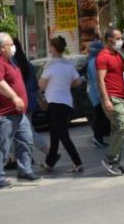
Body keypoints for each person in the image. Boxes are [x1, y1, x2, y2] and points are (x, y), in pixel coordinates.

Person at [0, 32, 39, 188]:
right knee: (2, 145)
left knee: (26, 140)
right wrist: (15, 97)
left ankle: (24, 170)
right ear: (2, 47)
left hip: (18, 113)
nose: (14, 47)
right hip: (3, 114)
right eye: (11, 44)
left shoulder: (10, 61)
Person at [39, 36, 84, 173]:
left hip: (55, 103)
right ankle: (49, 163)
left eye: (50, 46)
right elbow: (78, 81)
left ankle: (78, 163)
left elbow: (41, 84)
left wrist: (47, 86)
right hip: (66, 102)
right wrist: (66, 84)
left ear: (53, 48)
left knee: (63, 136)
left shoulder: (51, 64)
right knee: (54, 133)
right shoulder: (68, 63)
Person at [97, 28, 124, 176]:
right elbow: (100, 80)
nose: (121, 41)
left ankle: (115, 164)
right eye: (118, 38)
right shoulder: (103, 57)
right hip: (112, 98)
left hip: (121, 97)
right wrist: (106, 100)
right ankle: (109, 159)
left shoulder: (117, 55)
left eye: (121, 38)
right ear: (109, 39)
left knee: (116, 131)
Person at [12, 38, 49, 157]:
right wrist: (40, 99)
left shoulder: (12, 64)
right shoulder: (27, 63)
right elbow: (35, 85)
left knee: (27, 131)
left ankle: (48, 152)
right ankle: (23, 157)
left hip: (19, 102)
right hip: (30, 101)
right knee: (22, 131)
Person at [86, 41, 110, 148]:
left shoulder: (91, 60)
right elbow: (97, 80)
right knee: (100, 115)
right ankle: (97, 137)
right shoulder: (94, 62)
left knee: (100, 115)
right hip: (97, 93)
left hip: (95, 93)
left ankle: (99, 137)